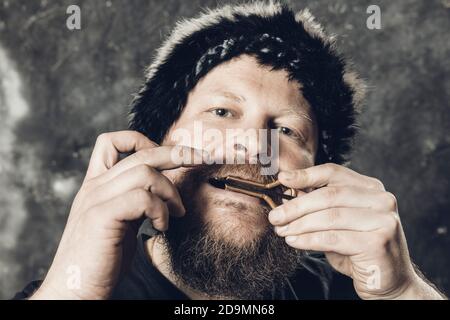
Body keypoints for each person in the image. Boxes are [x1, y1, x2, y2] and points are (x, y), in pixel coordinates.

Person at [16, 1, 445, 300]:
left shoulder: (354, 292)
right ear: (154, 143)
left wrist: (401, 292)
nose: (253, 144)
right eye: (222, 111)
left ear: (320, 178)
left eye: (286, 131)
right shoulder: (73, 289)